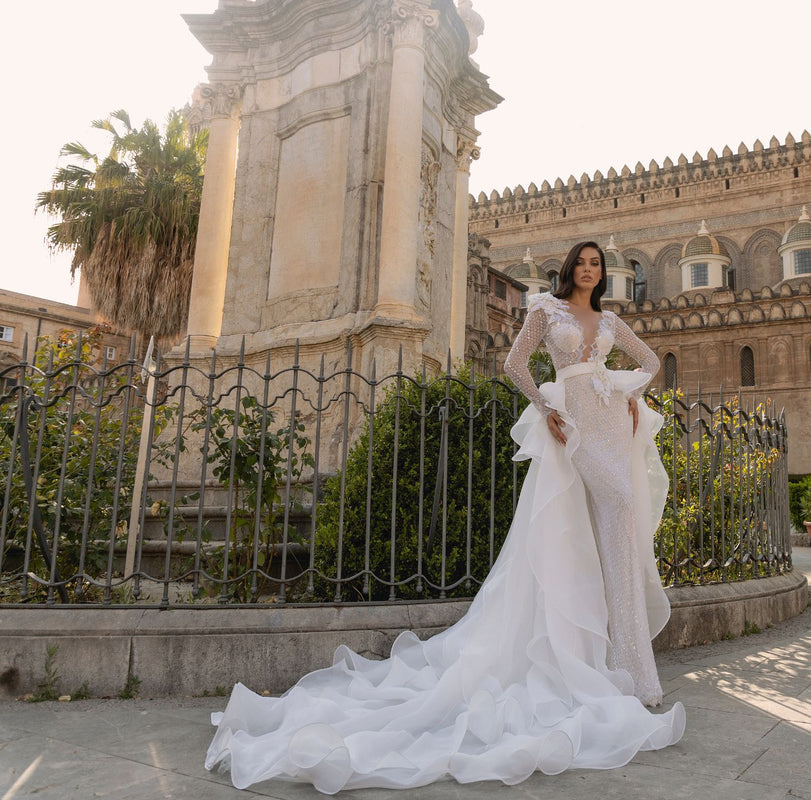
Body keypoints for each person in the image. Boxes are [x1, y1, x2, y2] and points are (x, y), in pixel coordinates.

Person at [204, 241, 685, 793]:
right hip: (571, 426)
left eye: (596, 265)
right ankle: (577, 660)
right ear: (569, 268)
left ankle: (633, 672)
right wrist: (547, 406)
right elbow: (514, 364)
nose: (589, 270)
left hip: (609, 425)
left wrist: (626, 392)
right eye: (582, 262)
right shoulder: (545, 311)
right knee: (568, 540)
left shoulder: (610, 321)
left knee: (618, 535)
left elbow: (650, 363)